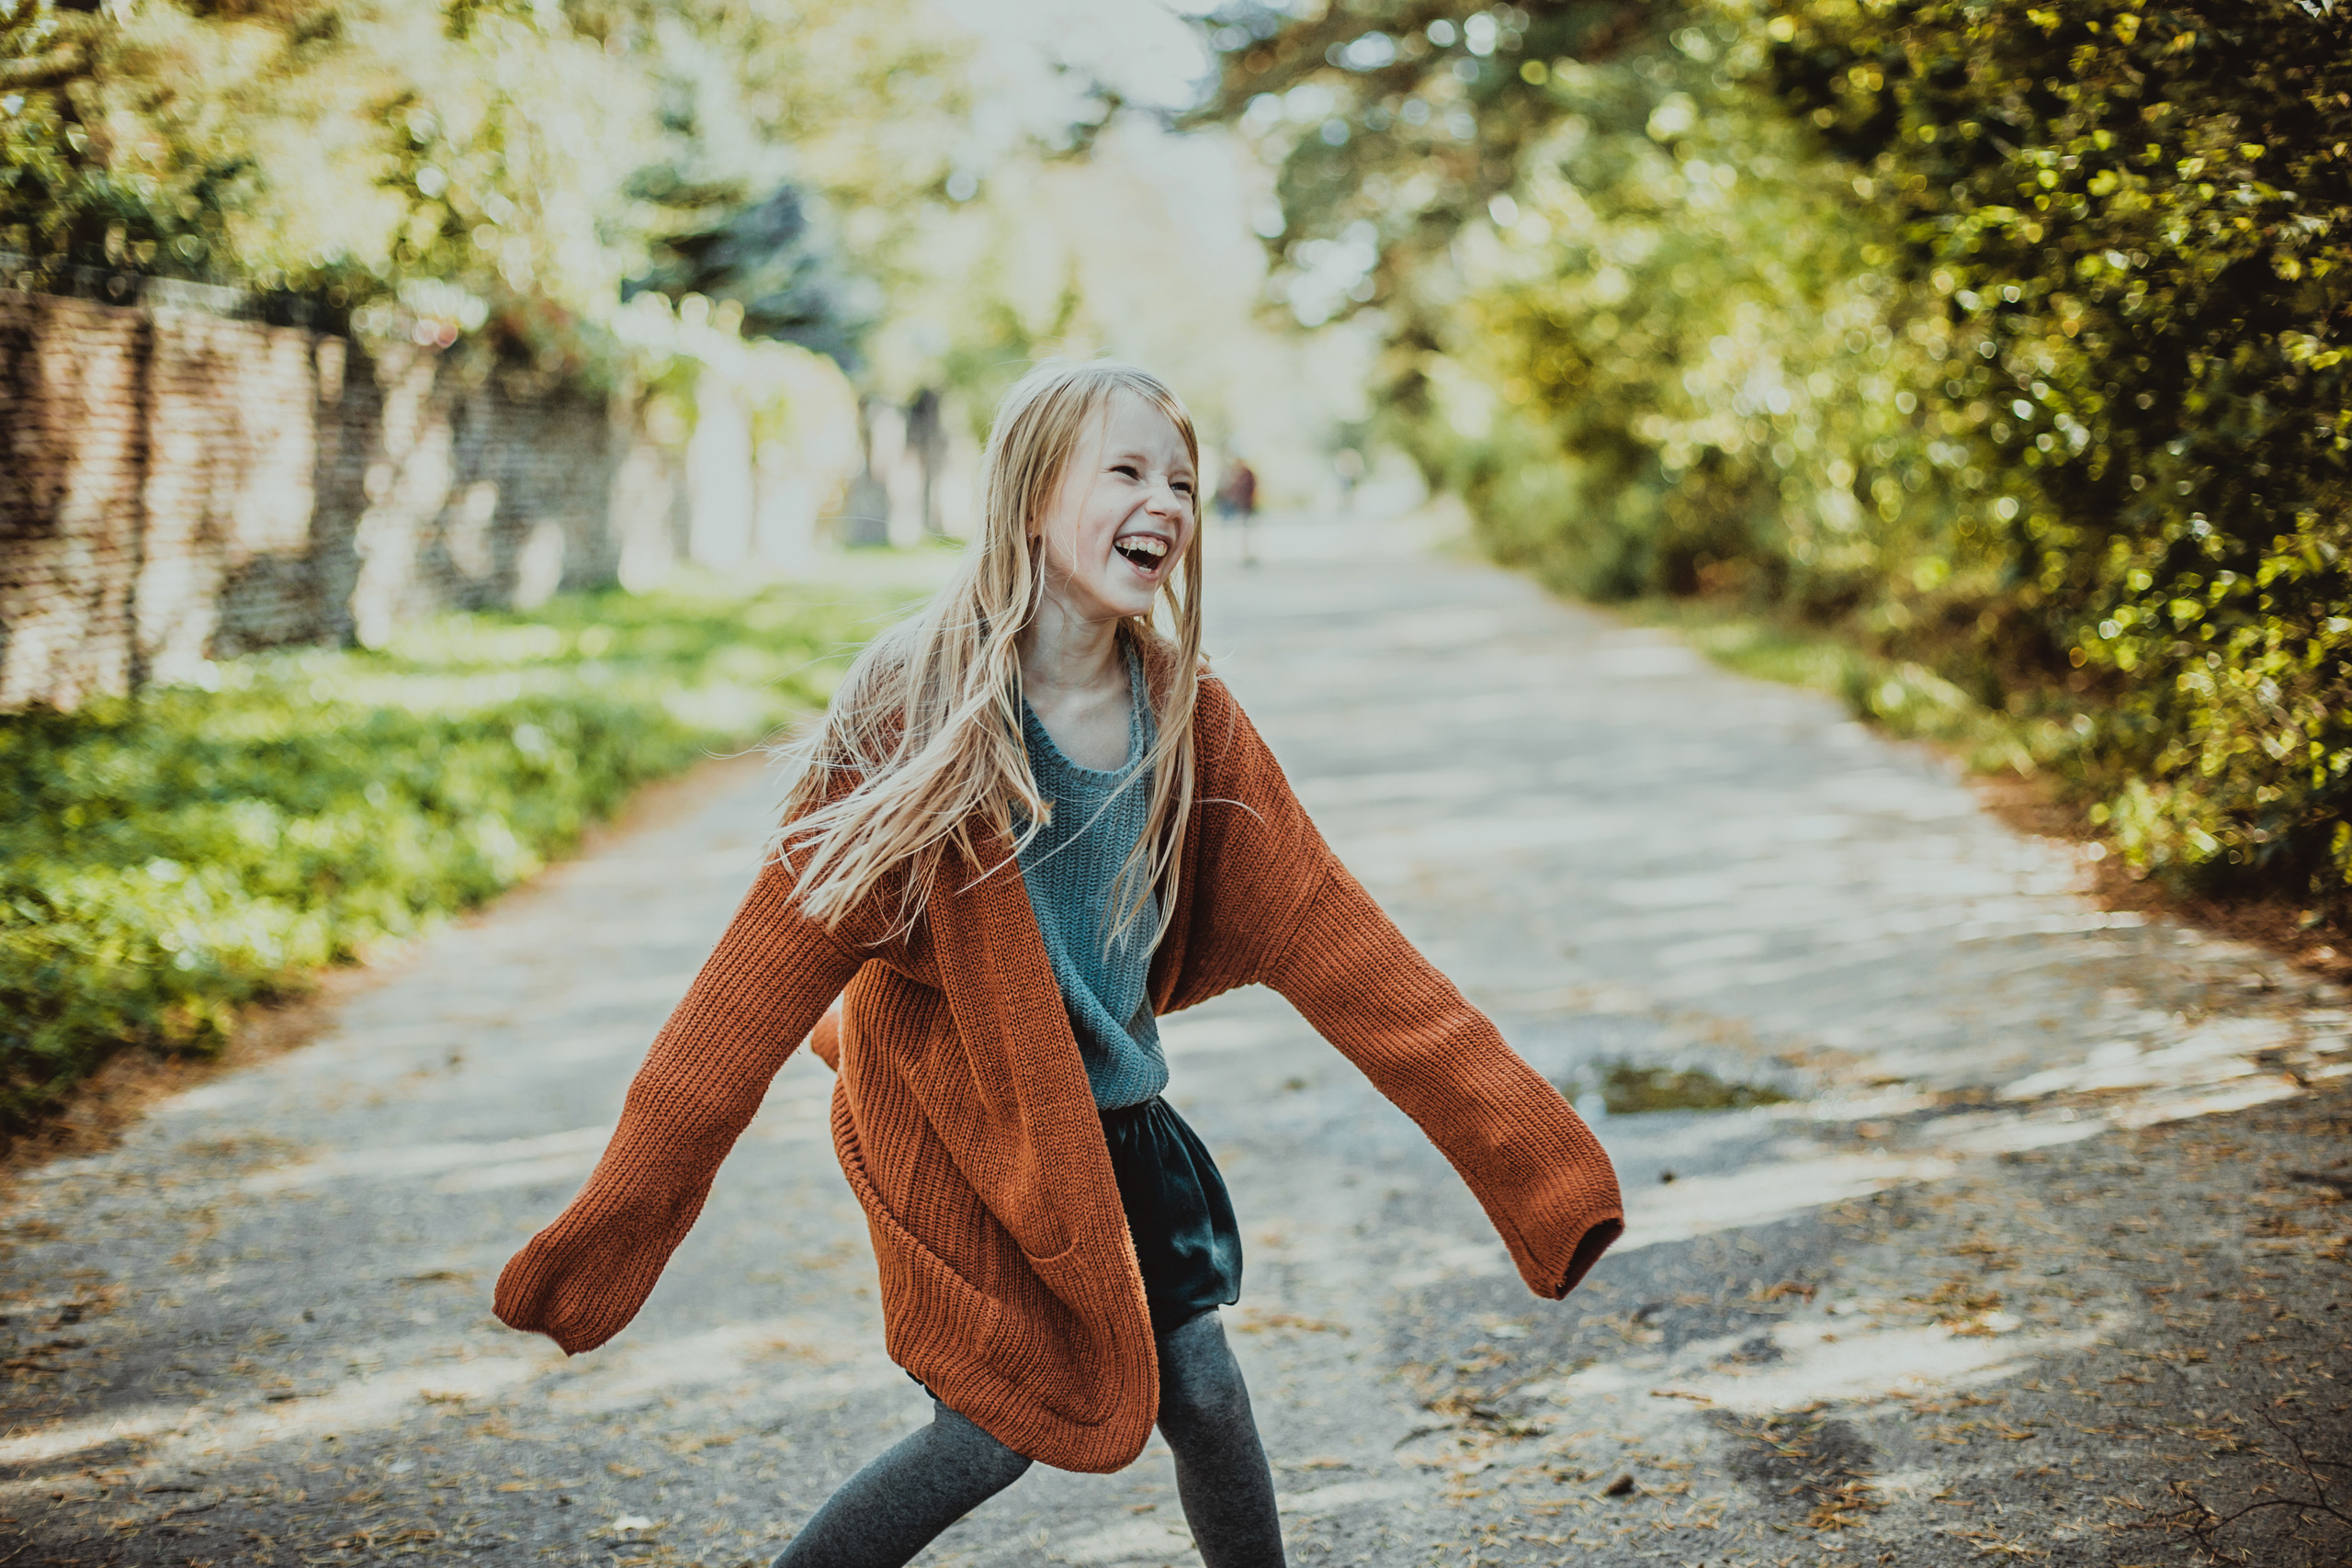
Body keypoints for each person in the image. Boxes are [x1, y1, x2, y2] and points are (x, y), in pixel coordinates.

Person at [492, 360, 1624, 1568]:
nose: (1168, 503)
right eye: (1127, 471)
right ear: (1033, 496)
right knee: (988, 1429)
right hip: (960, 1126)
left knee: (1205, 1394)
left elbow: (1358, 957)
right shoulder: (919, 707)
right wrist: (618, 1222)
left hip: (1118, 1119)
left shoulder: (1192, 718)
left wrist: (1538, 1163)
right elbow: (750, 988)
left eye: (1182, 481)